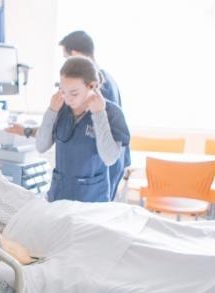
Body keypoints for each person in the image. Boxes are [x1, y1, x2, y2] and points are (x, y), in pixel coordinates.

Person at [8, 31, 130, 200]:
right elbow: (42, 146)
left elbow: (109, 158)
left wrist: (99, 115)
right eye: (63, 91)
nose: (68, 99)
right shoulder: (61, 108)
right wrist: (51, 111)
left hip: (91, 198)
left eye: (74, 93)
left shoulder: (111, 112)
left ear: (92, 86)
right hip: (60, 194)